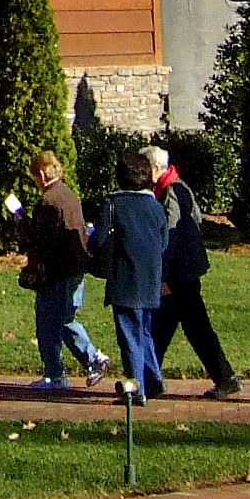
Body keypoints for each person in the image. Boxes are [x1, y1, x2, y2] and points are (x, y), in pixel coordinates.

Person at [149, 148, 240, 396]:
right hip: (186, 269)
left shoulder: (170, 192)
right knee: (169, 327)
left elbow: (171, 234)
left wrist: (164, 274)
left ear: (156, 168)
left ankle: (224, 378)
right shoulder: (178, 186)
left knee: (187, 327)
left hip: (180, 272)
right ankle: (150, 379)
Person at [19, 150, 105, 392]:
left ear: (43, 175)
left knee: (47, 325)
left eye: (35, 177)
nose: (35, 182)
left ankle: (55, 375)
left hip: (55, 272)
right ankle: (93, 358)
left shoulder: (49, 202)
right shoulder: (69, 195)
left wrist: (21, 221)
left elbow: (42, 241)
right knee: (66, 318)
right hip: (75, 269)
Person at [89, 145, 170, 398]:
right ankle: (153, 377)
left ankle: (136, 388)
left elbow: (98, 241)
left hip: (124, 277)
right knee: (144, 330)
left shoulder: (114, 204)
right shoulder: (156, 206)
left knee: (129, 336)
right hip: (151, 277)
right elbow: (164, 241)